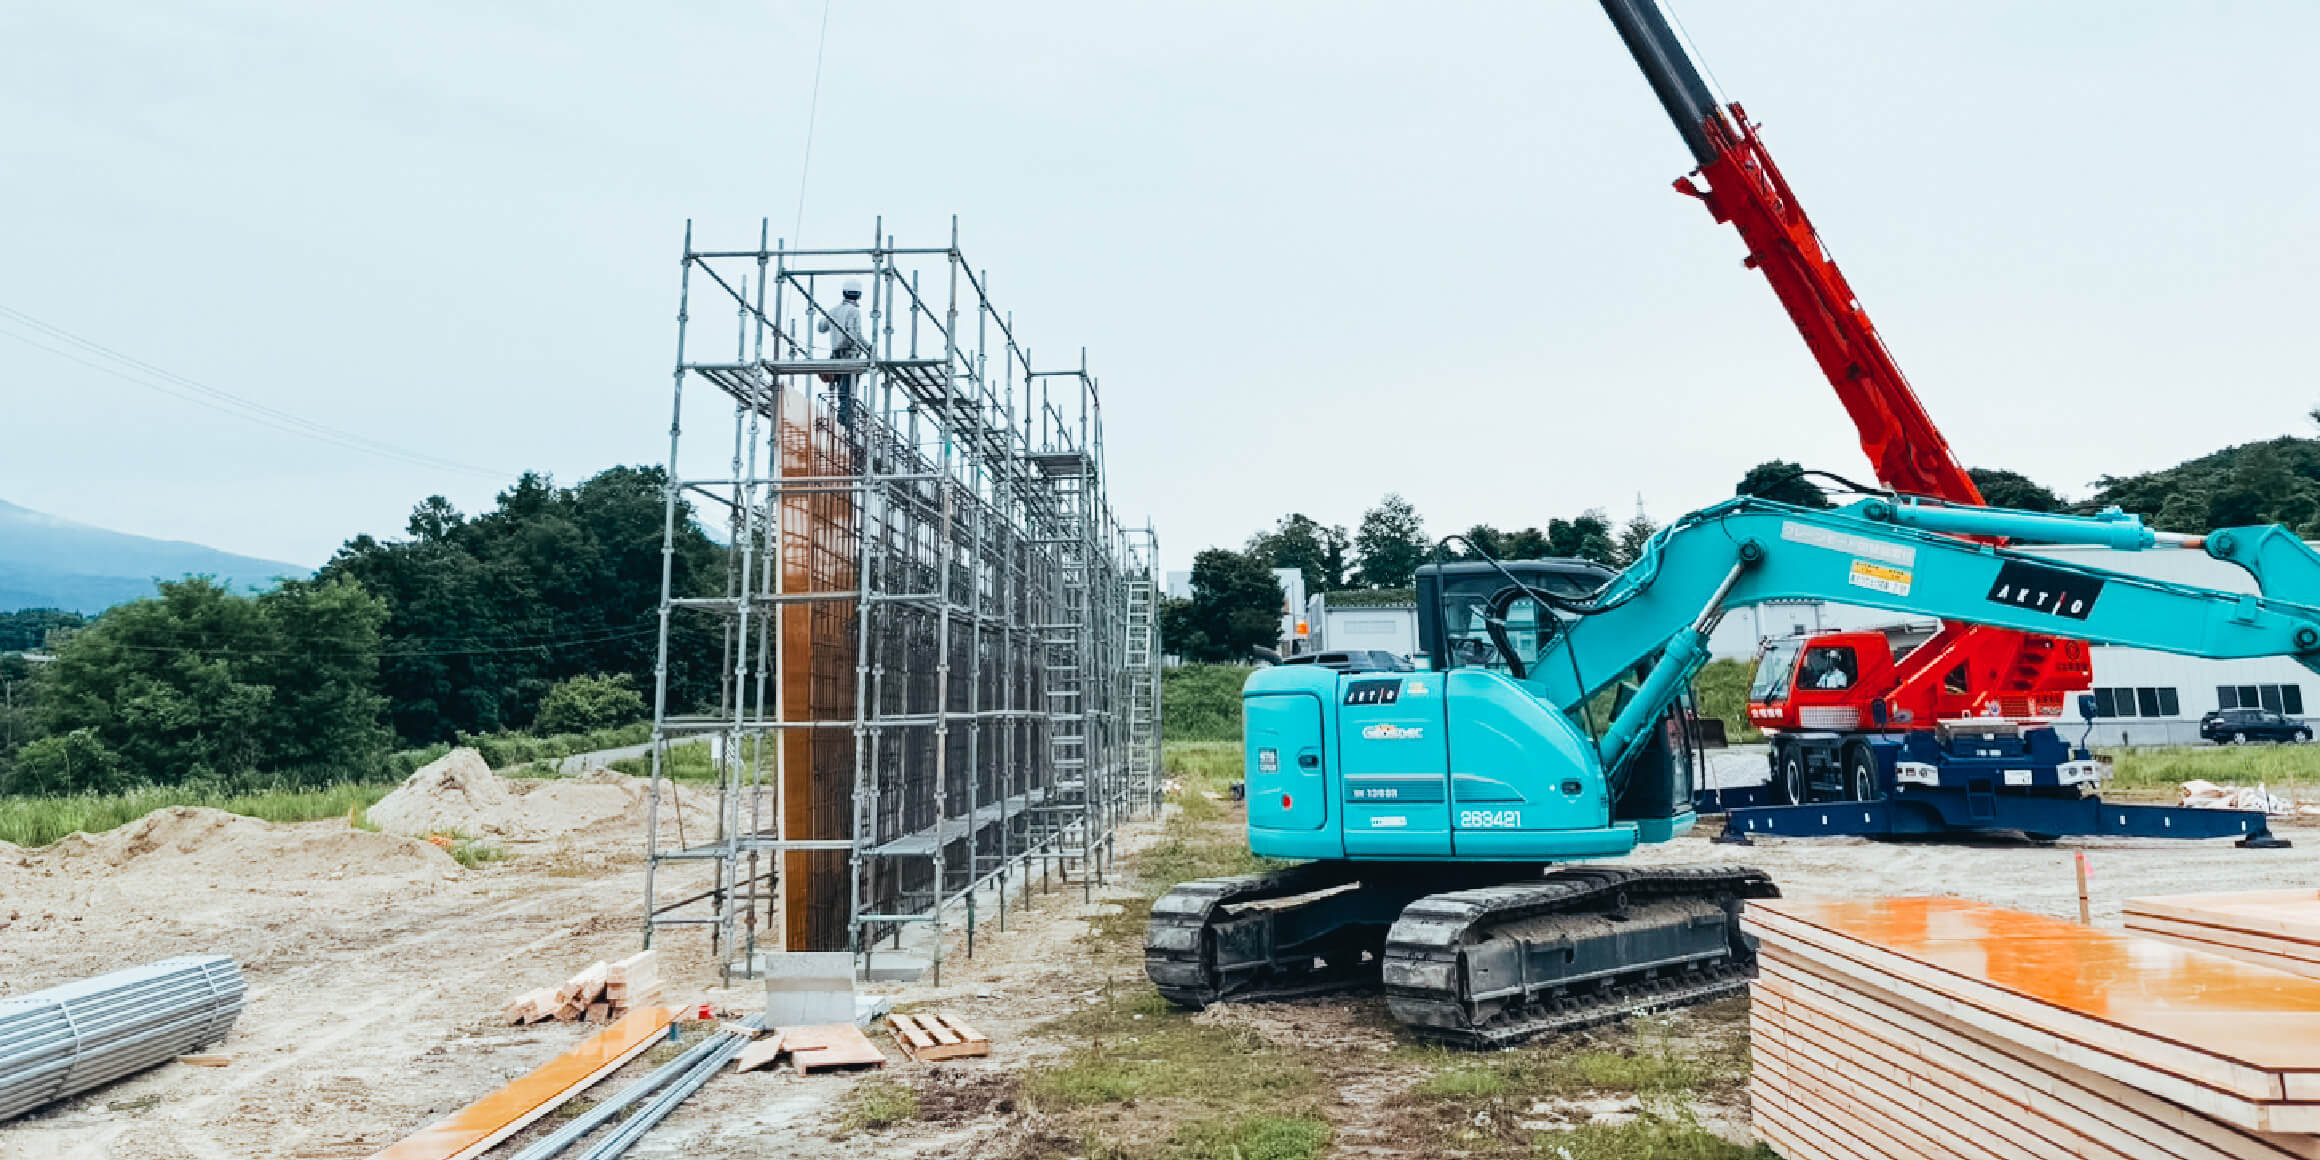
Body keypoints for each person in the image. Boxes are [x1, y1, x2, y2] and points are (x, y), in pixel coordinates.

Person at [817, 280, 867, 428]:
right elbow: (855, 335)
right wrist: (870, 349)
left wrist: (830, 318)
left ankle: (841, 420)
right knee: (847, 392)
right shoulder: (854, 311)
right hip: (849, 355)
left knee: (841, 389)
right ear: (859, 295)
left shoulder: (834, 310)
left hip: (835, 355)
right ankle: (845, 424)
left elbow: (821, 327)